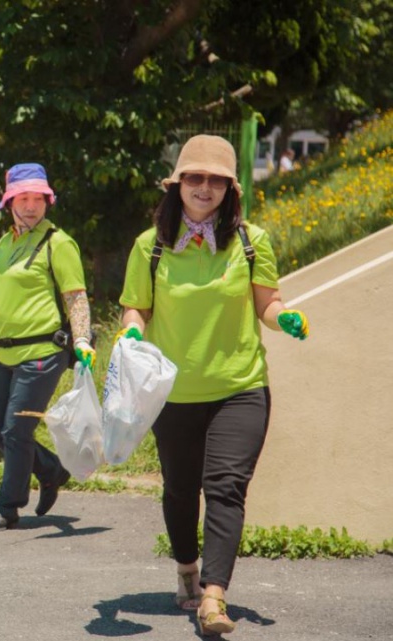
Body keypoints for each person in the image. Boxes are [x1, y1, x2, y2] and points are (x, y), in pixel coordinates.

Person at [117, 135, 309, 635]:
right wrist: (133, 329)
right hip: (173, 392)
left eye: (215, 179)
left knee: (225, 487)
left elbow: (267, 300)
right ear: (178, 184)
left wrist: (283, 318)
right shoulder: (150, 244)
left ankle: (214, 598)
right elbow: (136, 305)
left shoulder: (252, 241)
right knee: (182, 490)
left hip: (240, 386)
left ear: (230, 187)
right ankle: (187, 569)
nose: (204, 187)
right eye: (194, 178)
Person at [0, 163, 96, 533]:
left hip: (41, 355)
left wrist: (81, 340)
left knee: (15, 431)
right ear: (9, 201)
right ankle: (50, 470)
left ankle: (7, 507)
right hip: (1, 353)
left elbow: (76, 298)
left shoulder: (57, 243)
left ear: (47, 200)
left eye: (38, 198)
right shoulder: (4, 243)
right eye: (23, 198)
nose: (31, 206)